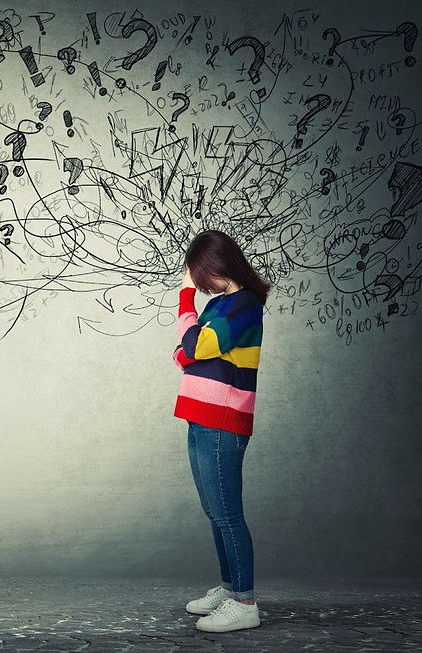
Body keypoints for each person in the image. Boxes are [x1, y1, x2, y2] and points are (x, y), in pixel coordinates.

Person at [171, 230, 271, 633]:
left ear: (218, 264)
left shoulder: (245, 304)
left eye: (199, 274)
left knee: (228, 514)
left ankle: (245, 604)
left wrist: (185, 300)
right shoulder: (218, 305)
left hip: (222, 421)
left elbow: (194, 347)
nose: (196, 283)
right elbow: (183, 352)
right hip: (199, 416)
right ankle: (230, 589)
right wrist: (192, 347)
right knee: (214, 512)